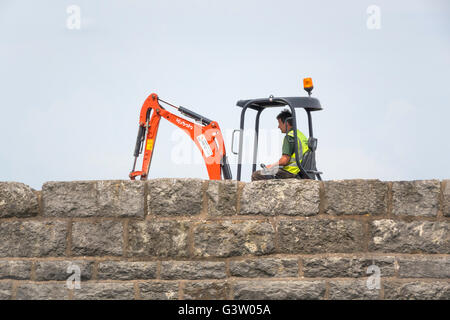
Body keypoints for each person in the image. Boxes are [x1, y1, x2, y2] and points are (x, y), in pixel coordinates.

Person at [251, 109, 309, 181]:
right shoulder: (300, 135)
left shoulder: (290, 137)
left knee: (256, 175)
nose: (278, 126)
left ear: (286, 123)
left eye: (279, 123)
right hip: (299, 171)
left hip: (290, 172)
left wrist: (271, 166)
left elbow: (284, 160)